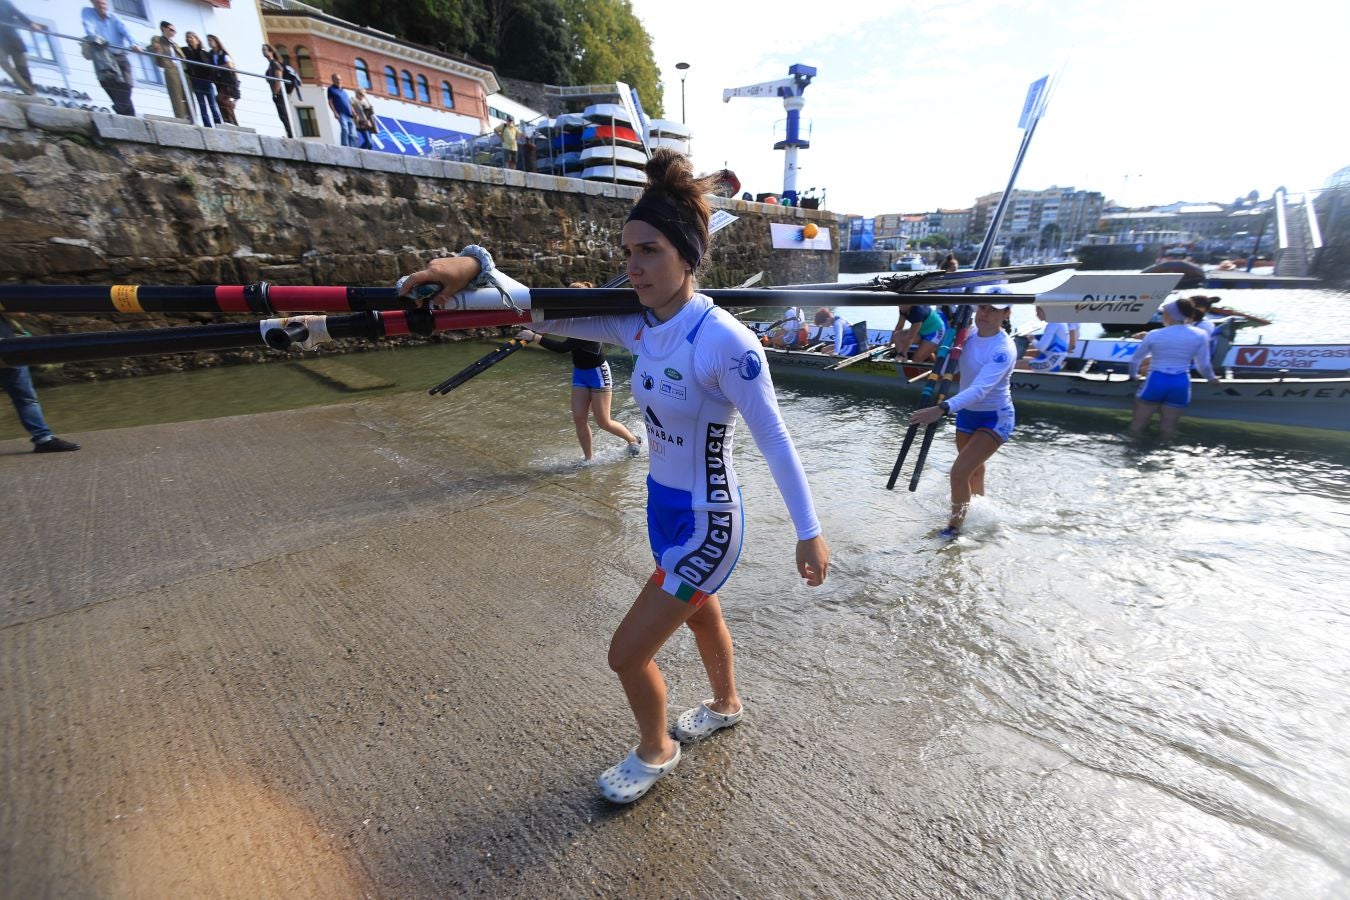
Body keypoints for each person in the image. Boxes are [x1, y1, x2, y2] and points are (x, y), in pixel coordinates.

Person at [396, 149, 830, 805]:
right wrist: (472, 266)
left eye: (650, 250)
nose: (633, 266)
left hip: (710, 524)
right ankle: (726, 702)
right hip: (662, 509)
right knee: (701, 612)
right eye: (628, 251)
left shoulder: (728, 343)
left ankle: (657, 750)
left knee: (626, 654)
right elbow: (532, 311)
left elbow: (774, 439)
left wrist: (809, 532)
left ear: (687, 254)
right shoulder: (635, 323)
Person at [908, 301, 1017, 538]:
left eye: (993, 309)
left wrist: (942, 408)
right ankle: (980, 518)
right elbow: (949, 361)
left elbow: (979, 389)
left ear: (1007, 313)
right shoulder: (968, 334)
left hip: (996, 417)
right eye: (983, 307)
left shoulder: (1004, 349)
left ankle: (954, 529)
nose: (985, 313)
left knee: (958, 472)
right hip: (967, 414)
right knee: (973, 472)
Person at [516, 283, 643, 460]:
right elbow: (552, 325)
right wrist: (535, 328)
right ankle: (588, 459)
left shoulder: (590, 324)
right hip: (580, 372)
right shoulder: (572, 320)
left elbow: (563, 347)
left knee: (603, 421)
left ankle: (633, 440)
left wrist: (535, 337)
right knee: (578, 419)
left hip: (598, 373)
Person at [1128, 297, 1220, 441]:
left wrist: (1134, 376)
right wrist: (1212, 379)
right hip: (1181, 382)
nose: (1161, 316)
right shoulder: (1200, 334)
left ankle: (1132, 454)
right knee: (1168, 428)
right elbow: (1204, 365)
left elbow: (1135, 360)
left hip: (1156, 381)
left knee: (1138, 426)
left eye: (1163, 313)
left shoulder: (1154, 334)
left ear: (1170, 315)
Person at [1, 316, 80, 453]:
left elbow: (18, 310)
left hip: (9, 349)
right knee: (26, 399)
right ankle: (43, 439)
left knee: (26, 399)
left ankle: (44, 439)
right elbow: (19, 310)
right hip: (8, 350)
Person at [80, 0, 138, 117]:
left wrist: (134, 44)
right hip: (103, 55)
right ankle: (129, 115)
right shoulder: (88, 13)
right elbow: (89, 28)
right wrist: (95, 39)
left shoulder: (114, 17)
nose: (102, 5)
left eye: (103, 3)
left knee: (127, 83)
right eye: (98, 3)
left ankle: (119, 108)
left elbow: (125, 31)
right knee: (110, 85)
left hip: (119, 54)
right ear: (93, 3)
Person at [0, 0, 44, 96]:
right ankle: (28, 90)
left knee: (22, 68)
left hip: (13, 38)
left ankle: (29, 92)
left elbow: (18, 13)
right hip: (0, 41)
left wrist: (31, 24)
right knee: (4, 63)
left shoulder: (4, 3)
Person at [149, 22, 191, 122]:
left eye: (174, 30)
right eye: (171, 29)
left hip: (182, 69)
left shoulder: (174, 44)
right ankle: (181, 119)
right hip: (171, 68)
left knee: (188, 96)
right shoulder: (158, 39)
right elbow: (156, 49)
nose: (174, 32)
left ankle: (191, 118)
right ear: (164, 28)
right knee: (176, 95)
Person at [182, 32, 219, 126]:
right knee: (202, 105)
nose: (190, 39)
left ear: (197, 39)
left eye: (191, 37)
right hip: (196, 81)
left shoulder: (205, 53)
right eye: (188, 38)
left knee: (212, 105)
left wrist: (211, 78)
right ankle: (207, 125)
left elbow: (212, 67)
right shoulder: (186, 51)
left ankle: (218, 123)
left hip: (207, 81)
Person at [1016, 306, 1069, 372]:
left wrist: (1031, 339)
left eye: (1038, 312)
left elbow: (1042, 347)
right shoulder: (1058, 322)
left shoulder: (1053, 324)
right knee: (1021, 360)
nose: (1037, 315)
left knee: (1013, 364)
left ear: (1045, 311)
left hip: (1050, 362)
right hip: (1053, 359)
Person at [261, 44, 293, 138]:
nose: (263, 52)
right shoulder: (270, 65)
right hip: (276, 94)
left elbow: (279, 77)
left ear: (271, 52)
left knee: (284, 115)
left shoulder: (274, 63)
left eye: (265, 50)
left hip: (279, 94)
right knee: (282, 115)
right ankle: (289, 134)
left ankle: (291, 134)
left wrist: (275, 92)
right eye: (263, 50)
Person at [206, 34, 238, 126]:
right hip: (219, 82)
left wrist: (218, 67)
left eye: (211, 40)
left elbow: (230, 66)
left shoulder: (223, 53)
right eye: (208, 41)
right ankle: (227, 121)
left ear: (216, 41)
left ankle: (232, 121)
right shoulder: (211, 55)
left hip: (227, 81)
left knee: (221, 98)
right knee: (222, 101)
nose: (209, 42)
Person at [327, 73, 356, 147]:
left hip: (349, 114)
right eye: (336, 79)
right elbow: (330, 102)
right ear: (333, 80)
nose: (338, 80)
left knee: (351, 133)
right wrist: (335, 112)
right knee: (345, 129)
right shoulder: (331, 89)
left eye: (339, 79)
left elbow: (349, 103)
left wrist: (354, 112)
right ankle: (344, 146)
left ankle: (352, 147)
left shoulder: (344, 91)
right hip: (341, 113)